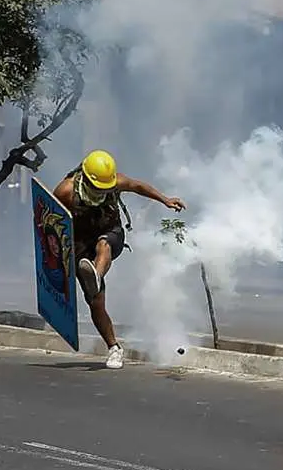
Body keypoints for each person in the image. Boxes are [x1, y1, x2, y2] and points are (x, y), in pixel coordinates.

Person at [53, 150, 186, 370]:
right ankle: (115, 348)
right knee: (95, 302)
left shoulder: (114, 182)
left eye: (104, 189)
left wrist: (165, 200)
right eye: (96, 189)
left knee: (103, 245)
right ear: (85, 178)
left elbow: (138, 186)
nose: (100, 192)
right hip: (80, 243)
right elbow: (51, 221)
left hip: (109, 231)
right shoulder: (66, 191)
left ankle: (95, 274)